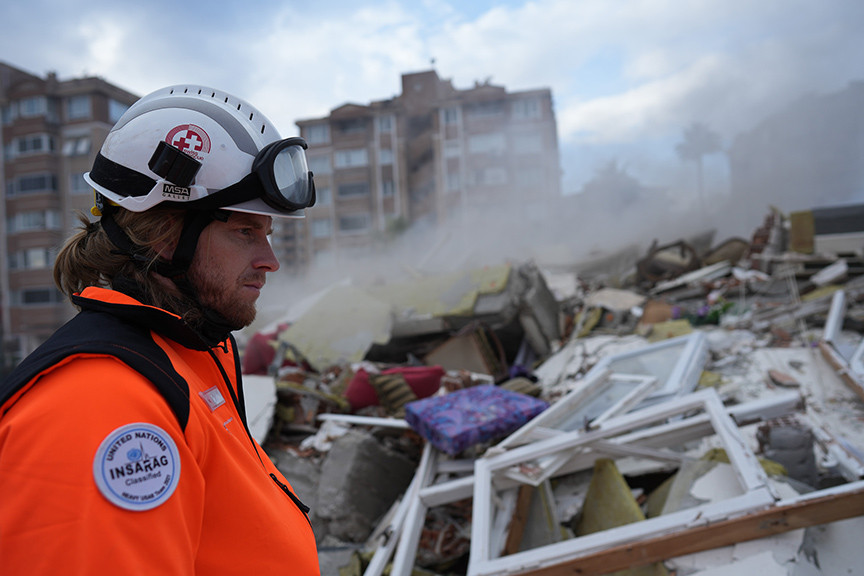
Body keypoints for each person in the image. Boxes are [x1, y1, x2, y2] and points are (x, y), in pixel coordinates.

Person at [0, 85, 320, 575]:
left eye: (268, 234)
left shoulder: (190, 354)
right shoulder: (100, 404)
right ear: (165, 235)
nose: (270, 261)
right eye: (244, 232)